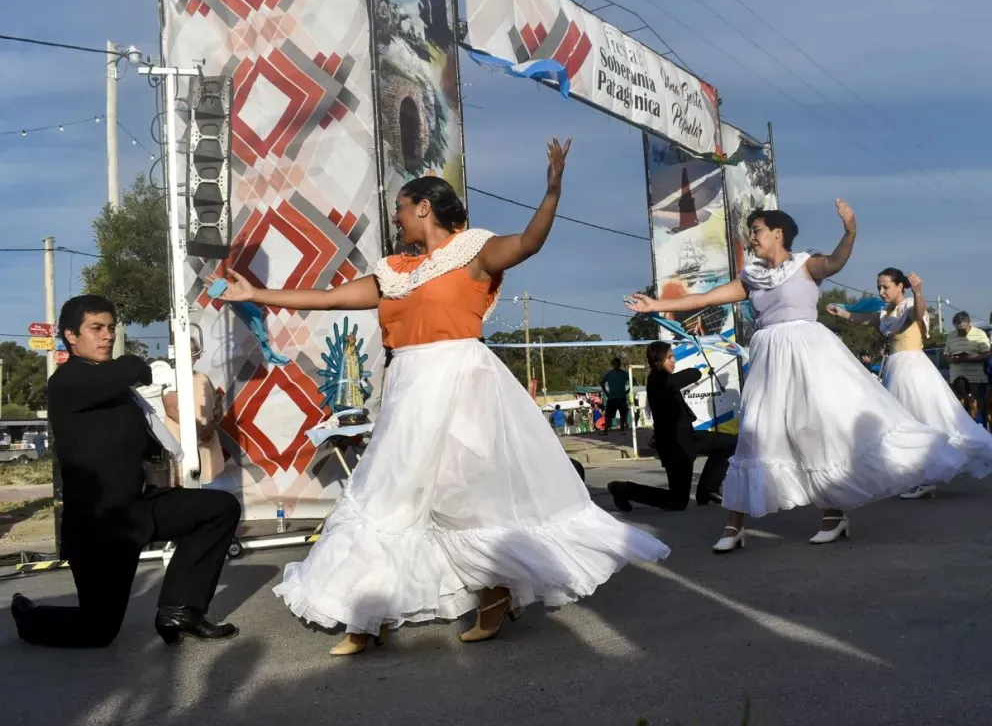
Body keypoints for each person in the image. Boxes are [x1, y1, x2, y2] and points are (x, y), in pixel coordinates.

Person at [218, 138, 669, 655]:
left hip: (461, 385)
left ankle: (493, 591)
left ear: (423, 208)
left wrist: (552, 191)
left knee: (463, 499)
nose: (396, 218)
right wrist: (256, 294)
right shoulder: (394, 273)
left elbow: (528, 243)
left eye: (401, 208)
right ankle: (366, 612)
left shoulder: (472, 253)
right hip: (409, 391)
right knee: (387, 496)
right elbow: (327, 298)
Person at [626, 201, 965, 553]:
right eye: (750, 232)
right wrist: (655, 305)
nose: (751, 237)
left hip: (808, 354)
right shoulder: (753, 276)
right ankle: (734, 523)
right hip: (768, 359)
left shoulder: (805, 264)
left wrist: (850, 231)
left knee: (814, 430)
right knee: (755, 432)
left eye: (756, 231)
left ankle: (833, 514)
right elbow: (708, 298)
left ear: (778, 233)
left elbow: (836, 262)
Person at [9, 295, 241, 648]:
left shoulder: (117, 391)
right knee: (98, 630)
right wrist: (145, 368)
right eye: (96, 328)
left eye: (111, 327)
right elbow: (130, 368)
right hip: (100, 526)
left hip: (140, 507)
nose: (107, 335)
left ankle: (181, 610)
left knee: (219, 508)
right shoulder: (67, 382)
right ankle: (27, 617)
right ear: (71, 335)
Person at [828, 270, 992, 499]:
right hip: (896, 367)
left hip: (912, 368)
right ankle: (919, 476)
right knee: (908, 421)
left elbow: (918, 313)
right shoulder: (887, 311)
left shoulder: (909, 306)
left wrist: (918, 293)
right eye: (879, 287)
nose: (881, 292)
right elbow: (868, 320)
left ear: (900, 287)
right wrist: (843, 313)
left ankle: (924, 478)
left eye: (886, 287)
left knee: (918, 419)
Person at [608, 341, 734, 512]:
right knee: (677, 501)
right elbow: (694, 373)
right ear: (657, 360)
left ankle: (708, 491)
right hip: (674, 448)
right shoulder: (657, 380)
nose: (673, 361)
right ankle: (624, 489)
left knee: (729, 443)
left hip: (689, 438)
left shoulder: (664, 379)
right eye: (669, 357)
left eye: (673, 356)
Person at [162, 339, 226, 485]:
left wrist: (211, 426)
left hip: (206, 444)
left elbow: (217, 406)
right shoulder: (170, 378)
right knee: (184, 484)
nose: (189, 355)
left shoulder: (203, 378)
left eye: (192, 351)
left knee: (206, 484)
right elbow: (171, 410)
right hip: (181, 443)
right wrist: (198, 430)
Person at [944, 312, 990, 427]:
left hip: (976, 380)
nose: (961, 332)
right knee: (959, 413)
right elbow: (946, 355)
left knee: (978, 410)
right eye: (958, 329)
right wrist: (952, 359)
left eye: (963, 329)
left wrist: (970, 358)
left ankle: (981, 433)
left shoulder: (980, 334)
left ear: (969, 323)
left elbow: (987, 354)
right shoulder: (951, 336)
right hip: (956, 380)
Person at [600, 358, 630, 434]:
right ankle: (605, 430)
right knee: (608, 415)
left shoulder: (624, 373)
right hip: (612, 398)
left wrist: (628, 390)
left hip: (621, 398)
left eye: (617, 364)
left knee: (623, 414)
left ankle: (622, 429)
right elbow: (602, 383)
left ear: (620, 364)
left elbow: (633, 381)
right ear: (612, 365)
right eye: (614, 364)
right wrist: (606, 392)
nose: (616, 365)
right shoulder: (609, 374)